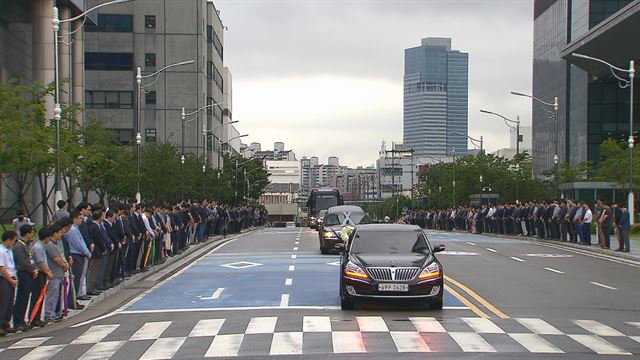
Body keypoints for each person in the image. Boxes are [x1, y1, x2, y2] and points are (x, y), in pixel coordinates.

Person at [12, 225, 37, 332]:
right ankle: (18, 321)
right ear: (26, 233)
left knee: (25, 296)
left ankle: (22, 320)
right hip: (23, 273)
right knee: (22, 297)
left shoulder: (26, 245)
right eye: (31, 232)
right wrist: (32, 270)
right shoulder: (19, 246)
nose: (32, 235)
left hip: (28, 272)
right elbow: (23, 262)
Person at [43, 224, 69, 322]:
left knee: (57, 294)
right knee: (52, 294)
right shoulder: (50, 245)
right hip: (54, 273)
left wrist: (65, 264)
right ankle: (49, 313)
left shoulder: (55, 244)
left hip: (59, 273)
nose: (60, 235)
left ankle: (55, 312)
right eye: (59, 233)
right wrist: (64, 265)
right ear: (54, 234)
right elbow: (56, 259)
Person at [29, 228, 53, 327]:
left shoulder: (40, 246)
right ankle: (34, 318)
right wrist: (47, 272)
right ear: (46, 237)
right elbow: (40, 262)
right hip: (39, 274)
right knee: (37, 296)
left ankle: (37, 317)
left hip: (42, 273)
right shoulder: (38, 247)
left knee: (40, 296)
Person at [0, 231, 18, 336]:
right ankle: (1, 325)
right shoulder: (1, 251)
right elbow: (2, 268)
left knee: (10, 301)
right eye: (13, 241)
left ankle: (6, 323)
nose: (13, 243)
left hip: (11, 277)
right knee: (4, 302)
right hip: (4, 278)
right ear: (7, 240)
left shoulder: (9, 251)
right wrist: (10, 280)